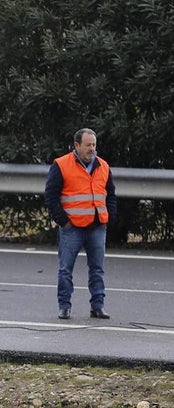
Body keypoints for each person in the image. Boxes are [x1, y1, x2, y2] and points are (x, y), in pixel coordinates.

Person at [45, 127, 117, 320]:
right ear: (77, 145)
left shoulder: (103, 166)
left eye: (94, 145)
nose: (92, 149)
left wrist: (108, 218)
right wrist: (64, 222)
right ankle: (64, 306)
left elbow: (110, 195)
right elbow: (51, 197)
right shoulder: (61, 165)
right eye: (88, 145)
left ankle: (98, 306)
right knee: (65, 269)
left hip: (97, 226)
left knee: (97, 269)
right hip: (72, 227)